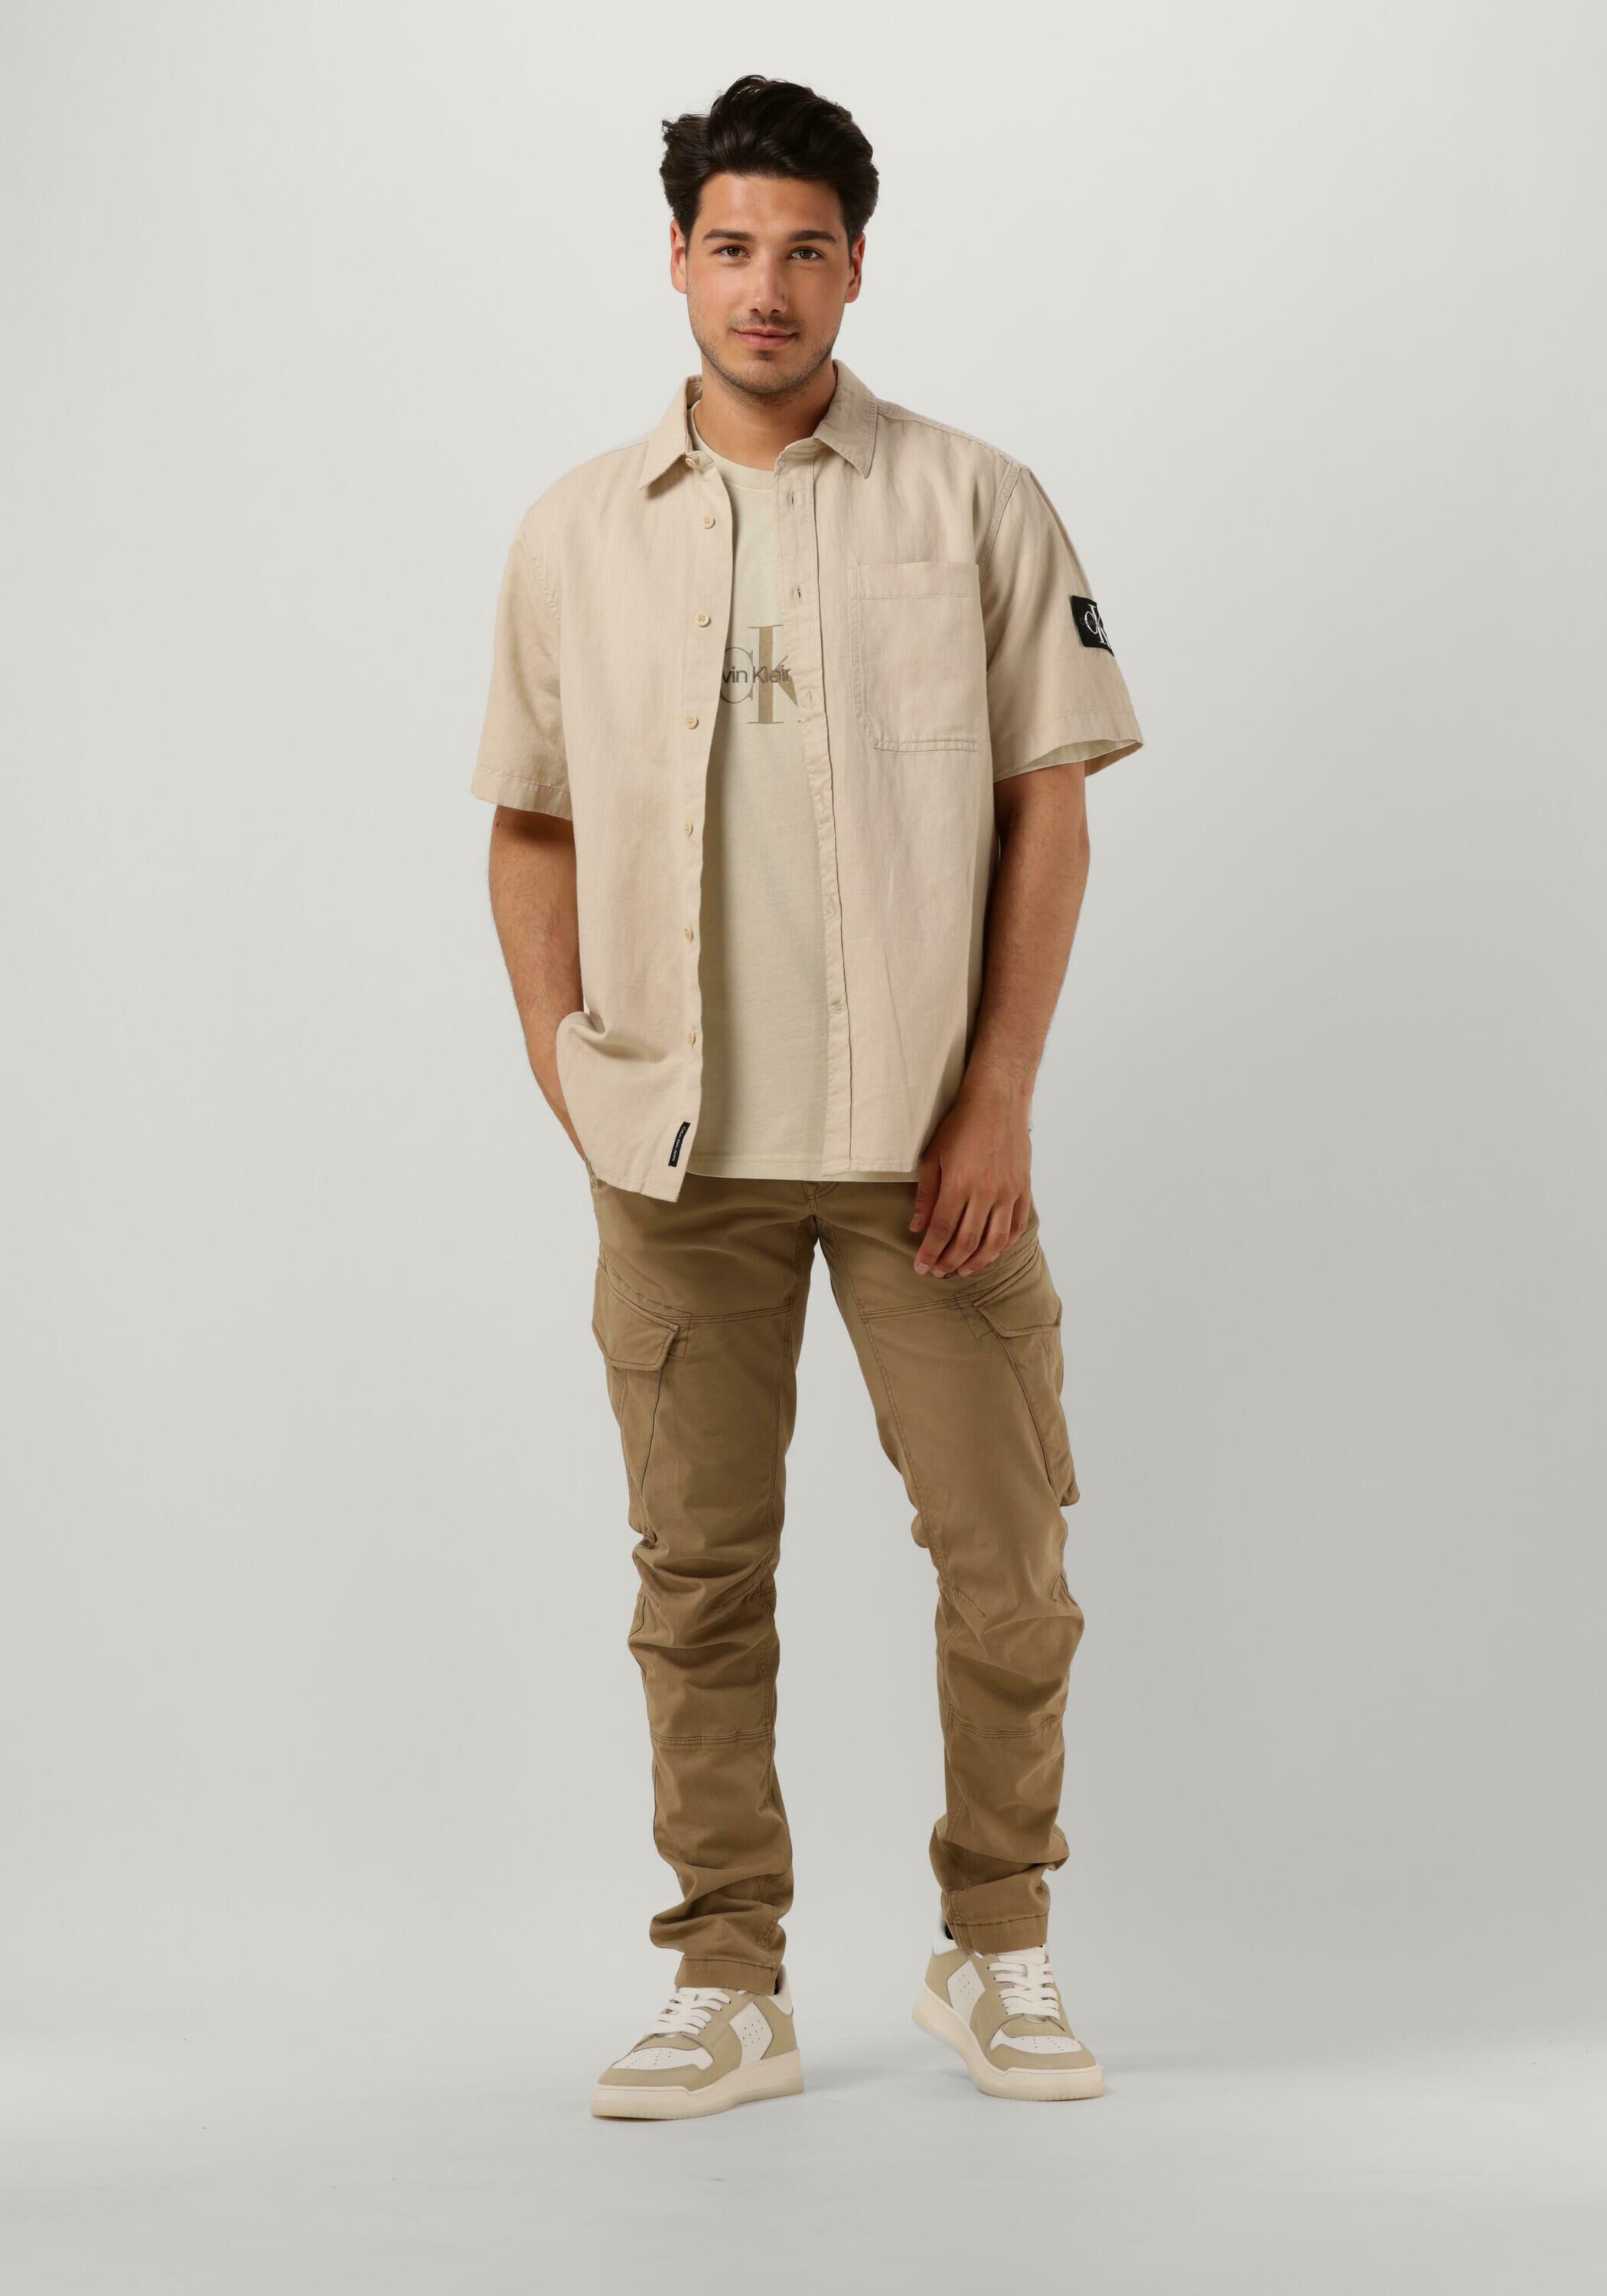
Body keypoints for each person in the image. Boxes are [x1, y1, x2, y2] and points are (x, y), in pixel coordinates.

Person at [469, 75, 1143, 2119]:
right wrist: (569, 1072)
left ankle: (995, 1944)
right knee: (696, 1584)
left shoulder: (975, 502)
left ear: (857, 267)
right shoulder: (575, 532)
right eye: (731, 245)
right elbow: (529, 822)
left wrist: (997, 1097)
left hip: (929, 1153)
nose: (765, 285)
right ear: (677, 260)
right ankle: (726, 1978)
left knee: (1008, 1565)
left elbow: (1051, 808)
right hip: (676, 1160)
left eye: (806, 249)